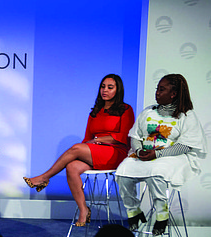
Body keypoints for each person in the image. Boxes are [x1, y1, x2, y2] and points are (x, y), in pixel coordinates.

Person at [24, 74, 135, 226]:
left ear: (118, 90)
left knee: (76, 148)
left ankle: (45, 177)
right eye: (103, 87)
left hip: (116, 152)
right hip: (96, 152)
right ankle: (84, 209)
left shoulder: (125, 109)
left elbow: (123, 137)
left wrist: (98, 140)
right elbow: (87, 140)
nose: (105, 90)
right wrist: (88, 147)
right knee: (72, 166)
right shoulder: (95, 112)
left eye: (110, 87)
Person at [116, 74, 207, 235]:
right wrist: (138, 151)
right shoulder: (148, 112)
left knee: (156, 173)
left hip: (172, 157)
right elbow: (135, 136)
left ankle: (162, 215)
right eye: (157, 89)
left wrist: (157, 155)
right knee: (123, 172)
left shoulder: (186, 115)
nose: (157, 92)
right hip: (145, 154)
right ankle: (133, 212)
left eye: (161, 89)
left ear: (173, 94)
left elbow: (186, 145)